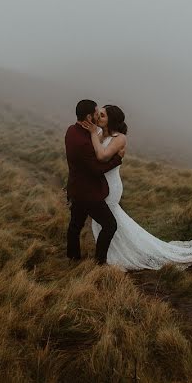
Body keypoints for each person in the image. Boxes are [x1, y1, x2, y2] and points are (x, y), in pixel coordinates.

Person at [80, 104, 192, 270]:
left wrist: (94, 134)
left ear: (112, 120)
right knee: (107, 221)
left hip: (110, 186)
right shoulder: (102, 134)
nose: (98, 117)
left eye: (102, 115)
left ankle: (112, 255)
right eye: (98, 114)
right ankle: (109, 253)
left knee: (108, 220)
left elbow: (102, 156)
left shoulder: (120, 138)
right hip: (100, 184)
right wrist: (95, 135)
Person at [64, 99, 124, 264]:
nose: (98, 117)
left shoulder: (71, 130)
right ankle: (100, 261)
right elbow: (97, 169)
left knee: (75, 225)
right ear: (89, 117)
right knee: (110, 225)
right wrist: (118, 159)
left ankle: (73, 257)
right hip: (88, 192)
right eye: (97, 114)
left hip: (76, 187)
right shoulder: (84, 141)